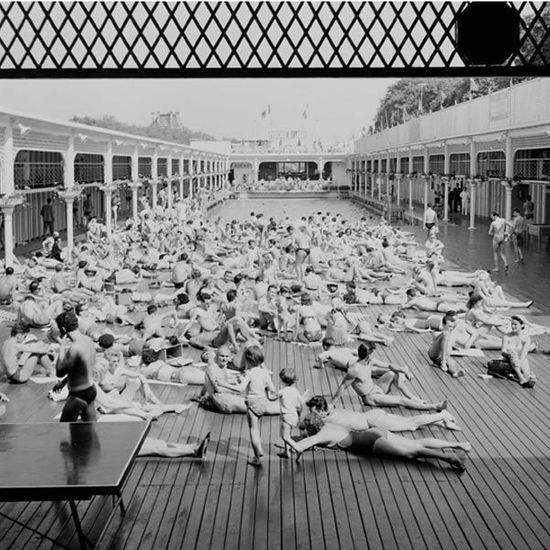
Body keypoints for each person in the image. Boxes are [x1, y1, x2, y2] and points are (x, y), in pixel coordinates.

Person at [293, 411, 469, 470]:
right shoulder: (330, 424)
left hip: (369, 443)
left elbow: (300, 446)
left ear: (311, 428)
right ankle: (455, 445)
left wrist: (288, 440)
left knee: (410, 453)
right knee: (417, 443)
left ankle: (449, 458)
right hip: (374, 432)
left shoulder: (321, 434)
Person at [332, 342, 447, 411]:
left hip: (377, 388)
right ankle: (433, 407)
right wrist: (332, 404)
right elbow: (342, 387)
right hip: (370, 397)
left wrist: (403, 370)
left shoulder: (369, 362)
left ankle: (412, 397)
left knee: (393, 372)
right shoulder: (355, 369)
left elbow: (389, 365)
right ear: (369, 354)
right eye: (373, 353)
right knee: (401, 401)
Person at [219, 345, 277, 467]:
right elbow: (272, 389)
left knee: (253, 430)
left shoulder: (249, 374)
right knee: (257, 428)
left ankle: (257, 456)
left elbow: (240, 389)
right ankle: (259, 449)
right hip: (263, 402)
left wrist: (223, 384)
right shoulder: (265, 373)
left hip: (252, 402)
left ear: (248, 360)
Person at [52, 311, 98, 422]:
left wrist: (62, 347)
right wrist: (63, 382)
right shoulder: (88, 340)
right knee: (91, 429)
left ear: (63, 329)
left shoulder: (75, 347)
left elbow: (59, 371)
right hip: (91, 390)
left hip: (78, 395)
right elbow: (84, 368)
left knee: (64, 429)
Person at [276, 368, 308, 459]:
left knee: (285, 437)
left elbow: (271, 398)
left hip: (286, 417)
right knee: (288, 434)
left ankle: (298, 449)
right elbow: (302, 402)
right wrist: (300, 410)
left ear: (282, 380)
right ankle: (286, 452)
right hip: (294, 416)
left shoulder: (282, 391)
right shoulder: (295, 390)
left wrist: (267, 391)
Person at [427, 311, 466, 378]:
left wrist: (453, 346)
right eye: (450, 326)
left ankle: (455, 372)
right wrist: (443, 361)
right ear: (443, 325)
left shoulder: (447, 332)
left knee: (452, 362)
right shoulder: (445, 333)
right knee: (447, 359)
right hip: (436, 355)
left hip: (438, 356)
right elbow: (443, 343)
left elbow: (439, 341)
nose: (451, 328)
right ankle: (444, 363)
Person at [501, 315, 536, 388]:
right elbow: (503, 351)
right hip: (508, 358)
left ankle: (521, 376)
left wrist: (519, 363)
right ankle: (521, 379)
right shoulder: (506, 336)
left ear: (522, 325)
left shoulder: (526, 339)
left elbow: (524, 354)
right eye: (512, 324)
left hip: (521, 360)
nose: (513, 326)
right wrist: (508, 354)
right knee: (513, 356)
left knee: (525, 373)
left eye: (515, 324)